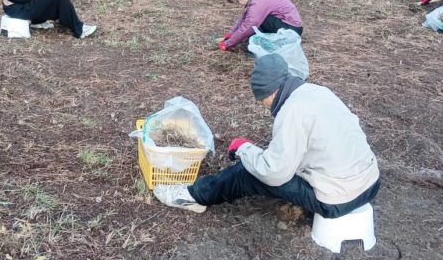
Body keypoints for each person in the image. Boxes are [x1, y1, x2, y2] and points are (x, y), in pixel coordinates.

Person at [153, 54, 381, 217]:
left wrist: (243, 149)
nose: (263, 106)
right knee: (266, 162)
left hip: (338, 200)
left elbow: (273, 174)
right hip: (370, 183)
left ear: (269, 93)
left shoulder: (292, 111)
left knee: (245, 174)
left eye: (261, 100)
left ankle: (192, 197)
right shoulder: (317, 92)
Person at [219, 0, 303, 51]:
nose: (238, 4)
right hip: (286, 24)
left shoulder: (257, 3)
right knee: (253, 22)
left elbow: (247, 27)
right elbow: (244, 17)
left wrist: (227, 44)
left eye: (238, 1)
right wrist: (231, 33)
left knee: (253, 25)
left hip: (290, 30)